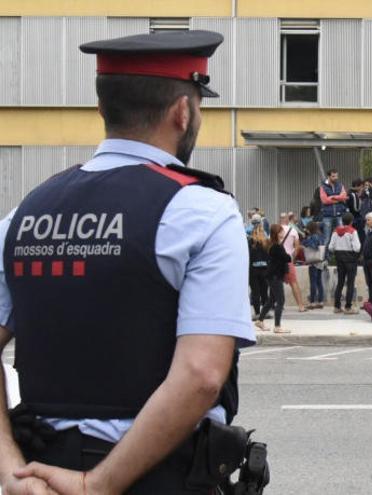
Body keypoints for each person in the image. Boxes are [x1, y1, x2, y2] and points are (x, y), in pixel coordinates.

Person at [0, 30, 259, 494]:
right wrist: (95, 485)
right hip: (156, 475)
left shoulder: (23, 215)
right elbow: (201, 374)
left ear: (103, 109)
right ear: (183, 112)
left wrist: (11, 471)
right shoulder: (203, 211)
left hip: (39, 476)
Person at [256, 224, 293, 333]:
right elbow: (287, 258)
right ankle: (277, 326)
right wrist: (289, 253)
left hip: (273, 275)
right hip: (275, 276)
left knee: (271, 300)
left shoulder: (274, 245)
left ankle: (260, 320)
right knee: (280, 300)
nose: (283, 233)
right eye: (281, 231)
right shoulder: (277, 246)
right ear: (277, 233)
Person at [328, 212, 361, 315]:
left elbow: (330, 247)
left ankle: (337, 306)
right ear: (351, 221)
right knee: (350, 283)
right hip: (351, 259)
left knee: (340, 283)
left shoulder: (335, 231)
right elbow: (357, 248)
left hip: (339, 259)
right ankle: (348, 307)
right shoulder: (353, 232)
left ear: (342, 221)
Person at [279, 212, 308, 312]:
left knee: (276, 284)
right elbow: (297, 247)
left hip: (277, 261)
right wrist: (293, 258)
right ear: (287, 219)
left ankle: (278, 305)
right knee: (293, 283)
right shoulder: (293, 231)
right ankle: (300, 306)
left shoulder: (275, 230)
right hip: (288, 260)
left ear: (280, 219)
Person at [320, 168, 349, 246]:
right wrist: (338, 198)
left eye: (336, 176)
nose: (336, 178)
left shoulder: (340, 185)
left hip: (339, 214)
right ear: (328, 176)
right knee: (327, 238)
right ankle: (325, 257)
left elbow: (344, 196)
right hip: (327, 216)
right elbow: (324, 200)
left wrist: (332, 197)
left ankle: (339, 255)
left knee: (341, 236)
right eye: (333, 176)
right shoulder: (323, 187)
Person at [248, 221, 271, 318]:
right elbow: (269, 256)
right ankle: (265, 312)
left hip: (253, 270)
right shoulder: (266, 242)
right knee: (264, 292)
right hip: (265, 269)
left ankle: (257, 313)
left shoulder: (250, 242)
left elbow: (248, 256)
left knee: (255, 292)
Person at [302, 221, 325, 309]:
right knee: (319, 282)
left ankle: (312, 302)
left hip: (313, 261)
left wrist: (306, 239)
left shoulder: (312, 237)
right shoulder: (321, 236)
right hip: (320, 261)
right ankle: (320, 301)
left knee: (313, 282)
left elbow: (313, 246)